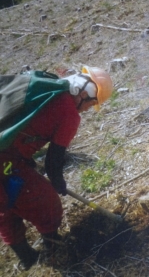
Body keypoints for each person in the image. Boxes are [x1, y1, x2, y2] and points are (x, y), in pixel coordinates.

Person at [0, 66, 113, 270]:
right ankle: (53, 248)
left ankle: (27, 258)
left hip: (8, 156)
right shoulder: (69, 113)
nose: (87, 109)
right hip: (5, 160)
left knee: (5, 207)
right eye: (91, 103)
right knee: (46, 201)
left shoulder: (47, 87)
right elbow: (54, 160)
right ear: (82, 93)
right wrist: (58, 184)